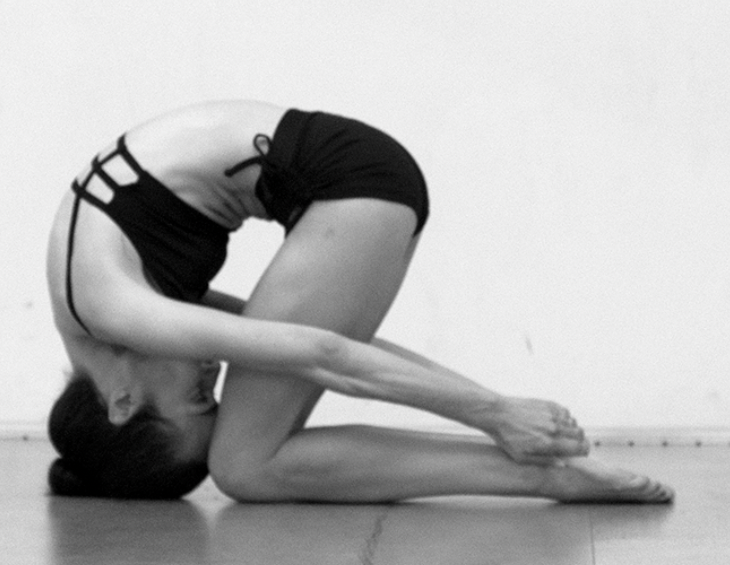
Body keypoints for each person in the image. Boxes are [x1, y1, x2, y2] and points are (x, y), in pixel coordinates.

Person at [45, 100, 673, 503]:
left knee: (243, 466)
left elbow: (323, 354)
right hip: (357, 174)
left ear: (122, 402)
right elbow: (328, 342)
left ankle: (541, 477)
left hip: (346, 185)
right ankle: (547, 469)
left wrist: (496, 413)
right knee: (255, 437)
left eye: (196, 397)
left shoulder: (111, 306)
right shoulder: (106, 304)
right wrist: (498, 408)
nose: (212, 379)